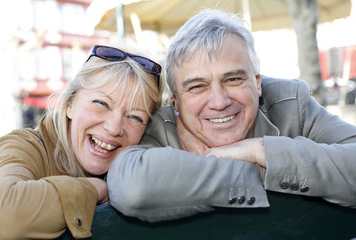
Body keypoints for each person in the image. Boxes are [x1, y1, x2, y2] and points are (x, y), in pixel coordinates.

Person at [107, 9, 356, 223]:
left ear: (257, 83)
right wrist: (262, 170)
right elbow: (133, 188)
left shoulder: (291, 103)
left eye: (233, 79)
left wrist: (259, 151)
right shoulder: (156, 128)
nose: (219, 102)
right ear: (176, 101)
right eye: (197, 87)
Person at [0, 45, 162, 239]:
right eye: (101, 104)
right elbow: (4, 216)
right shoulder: (24, 146)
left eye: (135, 117)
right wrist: (93, 189)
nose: (114, 127)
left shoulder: (139, 167)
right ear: (70, 105)